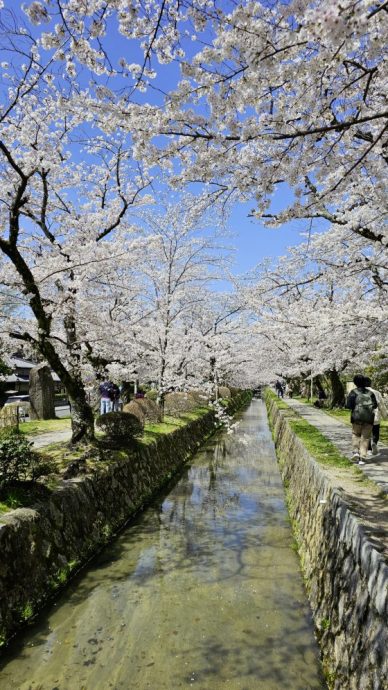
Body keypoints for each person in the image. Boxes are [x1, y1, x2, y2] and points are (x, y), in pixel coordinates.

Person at [346, 374, 377, 464]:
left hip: (356, 418)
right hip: (369, 419)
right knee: (365, 437)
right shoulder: (370, 393)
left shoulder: (353, 392)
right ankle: (363, 457)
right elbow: (375, 405)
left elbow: (349, 406)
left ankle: (356, 452)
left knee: (356, 434)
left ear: (355, 383)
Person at [364, 376, 387, 456]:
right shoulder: (377, 393)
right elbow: (381, 406)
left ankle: (369, 450)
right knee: (375, 432)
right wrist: (385, 416)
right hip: (375, 416)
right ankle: (374, 442)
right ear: (371, 383)